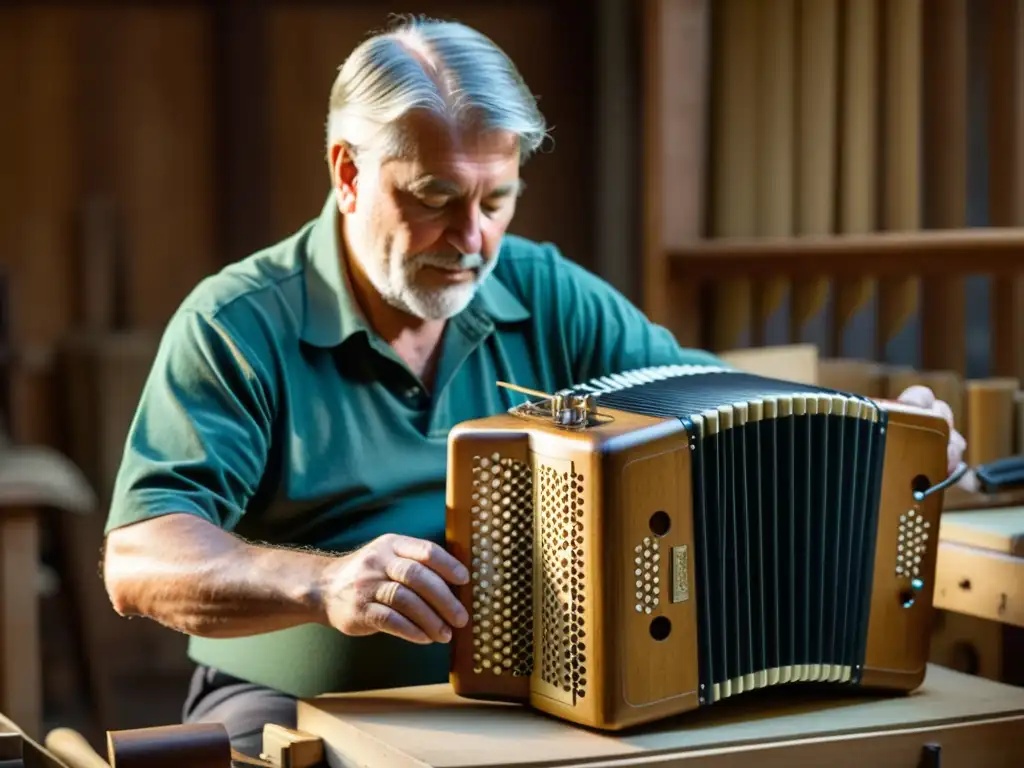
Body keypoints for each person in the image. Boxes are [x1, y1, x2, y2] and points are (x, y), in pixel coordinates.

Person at [100, 16, 968, 759]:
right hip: (302, 708)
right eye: (436, 198)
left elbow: (713, 412)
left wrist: (887, 447)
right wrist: (324, 587)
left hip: (540, 698)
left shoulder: (545, 292)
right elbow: (139, 559)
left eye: (497, 200)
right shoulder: (237, 322)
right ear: (349, 173)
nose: (473, 240)